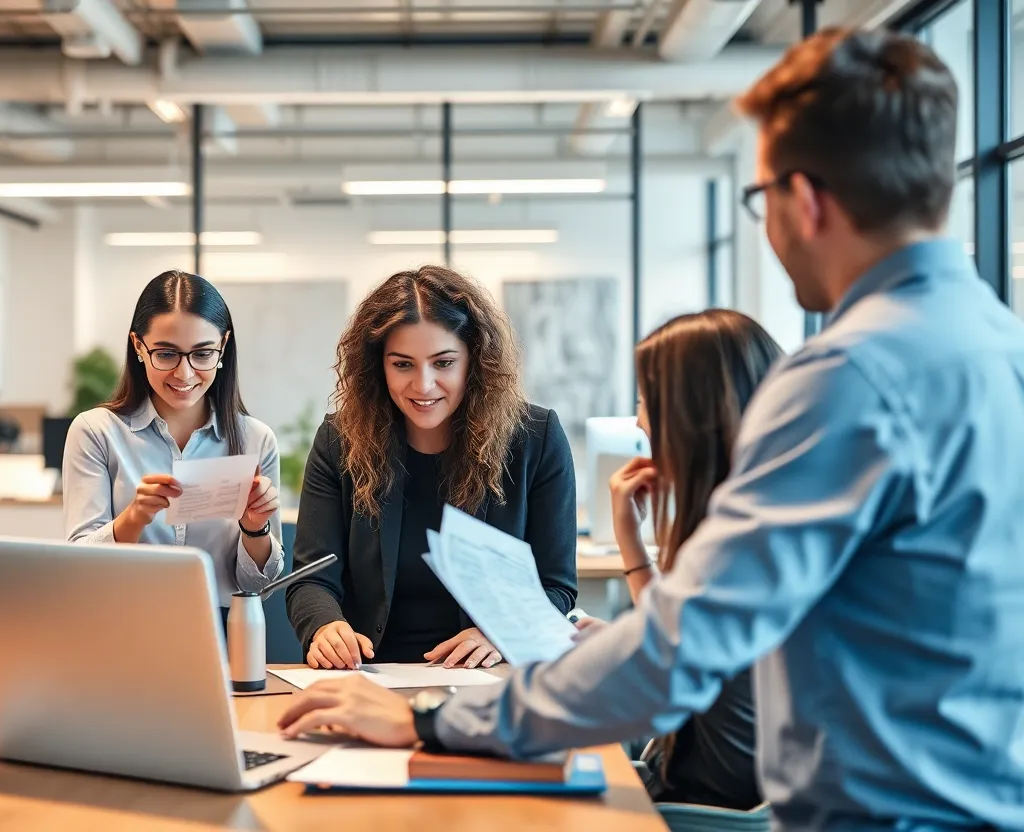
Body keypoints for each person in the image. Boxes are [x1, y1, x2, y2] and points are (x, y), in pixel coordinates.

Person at [274, 28, 1024, 830]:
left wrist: (429, 721)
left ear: (804, 201)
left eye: (760, 198)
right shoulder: (999, 349)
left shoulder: (847, 381)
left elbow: (681, 651)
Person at [286, 265, 577, 670]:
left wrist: (500, 632)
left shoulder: (535, 439)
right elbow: (312, 578)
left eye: (443, 363)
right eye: (402, 364)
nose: (423, 386)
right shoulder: (340, 441)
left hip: (490, 675)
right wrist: (324, 627)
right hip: (368, 675)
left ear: (475, 361)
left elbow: (556, 586)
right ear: (377, 365)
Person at [596, 309, 781, 810]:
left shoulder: (736, 547)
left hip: (700, 812)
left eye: (645, 400)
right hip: (696, 792)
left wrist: (440, 722)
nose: (638, 421)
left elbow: (659, 673)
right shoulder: (760, 520)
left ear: (693, 413)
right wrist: (630, 541)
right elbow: (679, 645)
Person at [63, 270, 283, 610]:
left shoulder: (256, 439)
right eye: (166, 354)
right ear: (139, 346)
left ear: (223, 346)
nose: (184, 373)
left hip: (221, 629)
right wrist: (134, 517)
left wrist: (254, 529)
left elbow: (260, 586)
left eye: (202, 354)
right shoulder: (96, 432)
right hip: (123, 625)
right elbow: (78, 571)